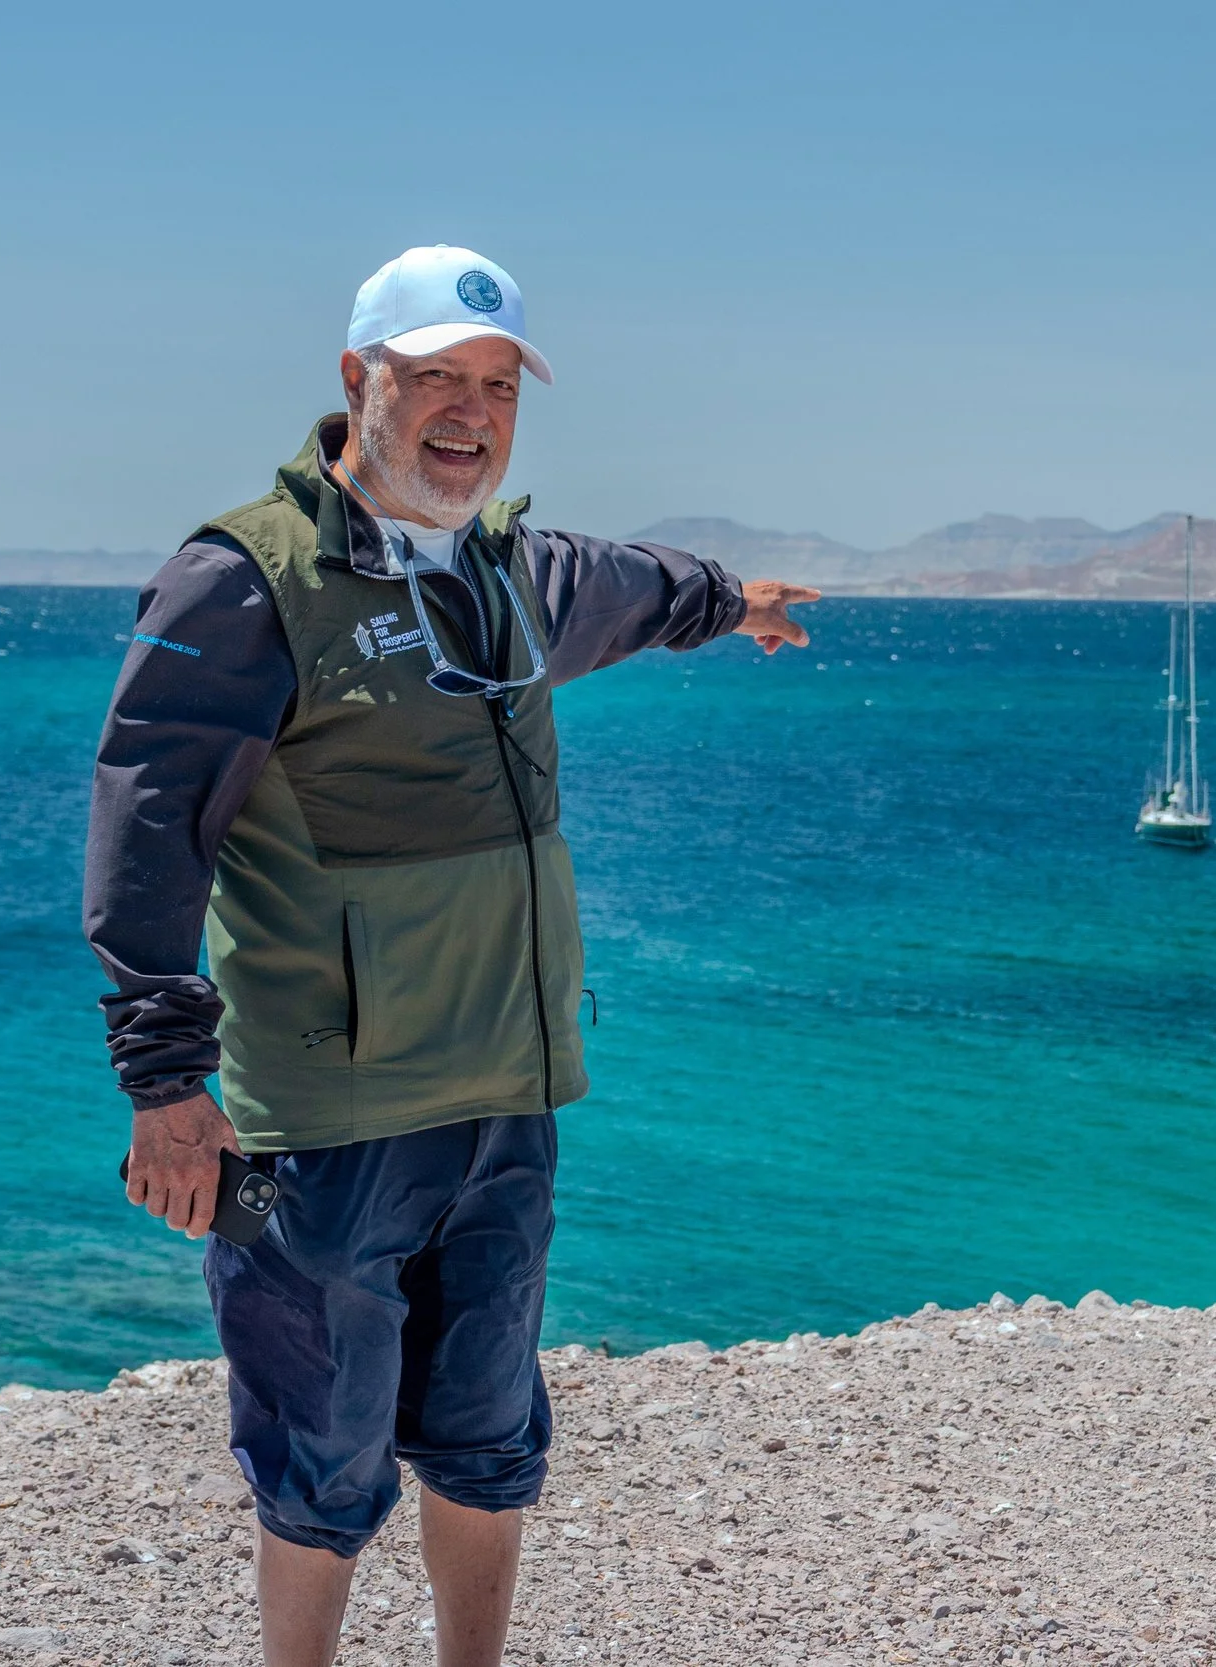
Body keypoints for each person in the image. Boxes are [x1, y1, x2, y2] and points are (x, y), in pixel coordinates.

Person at [82, 244, 819, 1667]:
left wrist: (738, 600)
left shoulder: (511, 568)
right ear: (358, 380)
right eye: (433, 379)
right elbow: (145, 828)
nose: (468, 410)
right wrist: (165, 1085)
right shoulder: (242, 582)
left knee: (488, 1436)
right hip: (325, 1122)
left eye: (495, 384)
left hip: (504, 1099)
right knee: (320, 1455)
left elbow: (640, 588)